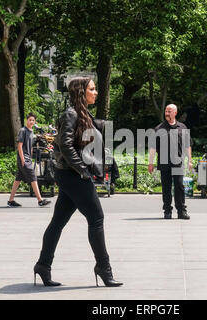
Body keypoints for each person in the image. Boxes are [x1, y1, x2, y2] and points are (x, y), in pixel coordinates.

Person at [34, 77, 122, 287]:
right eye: (92, 89)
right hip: (72, 175)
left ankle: (43, 266)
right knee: (97, 218)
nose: (96, 92)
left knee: (57, 222)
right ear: (82, 92)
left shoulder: (82, 115)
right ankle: (103, 267)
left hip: (70, 175)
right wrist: (83, 171)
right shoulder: (71, 114)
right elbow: (65, 145)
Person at [148, 104, 192, 220]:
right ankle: (167, 211)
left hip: (178, 162)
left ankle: (181, 211)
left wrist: (190, 161)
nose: (167, 113)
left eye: (169, 111)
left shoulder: (182, 127)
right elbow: (153, 147)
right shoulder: (159, 128)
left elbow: (187, 145)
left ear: (175, 113)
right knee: (166, 188)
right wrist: (150, 163)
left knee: (179, 187)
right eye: (166, 111)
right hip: (164, 163)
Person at [7, 113, 51, 208]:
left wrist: (30, 158)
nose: (31, 122)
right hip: (23, 159)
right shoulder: (23, 131)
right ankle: (40, 200)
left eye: (33, 120)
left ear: (35, 122)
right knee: (33, 177)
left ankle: (11, 200)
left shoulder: (31, 132)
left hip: (28, 159)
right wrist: (23, 159)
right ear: (27, 120)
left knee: (18, 180)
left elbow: (30, 146)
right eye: (30, 120)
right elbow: (19, 146)